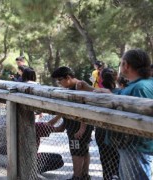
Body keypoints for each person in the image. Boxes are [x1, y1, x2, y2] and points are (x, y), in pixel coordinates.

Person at [97, 49, 153, 180]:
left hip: (136, 147)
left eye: (121, 62)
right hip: (136, 147)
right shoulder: (143, 84)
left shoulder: (140, 88)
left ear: (126, 65)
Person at [50, 66, 94, 180]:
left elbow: (84, 108)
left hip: (79, 126)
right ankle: (85, 175)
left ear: (68, 77)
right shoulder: (69, 88)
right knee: (83, 150)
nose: (59, 83)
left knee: (76, 151)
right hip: (73, 125)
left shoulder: (80, 86)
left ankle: (77, 176)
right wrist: (59, 122)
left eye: (60, 80)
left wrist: (82, 128)